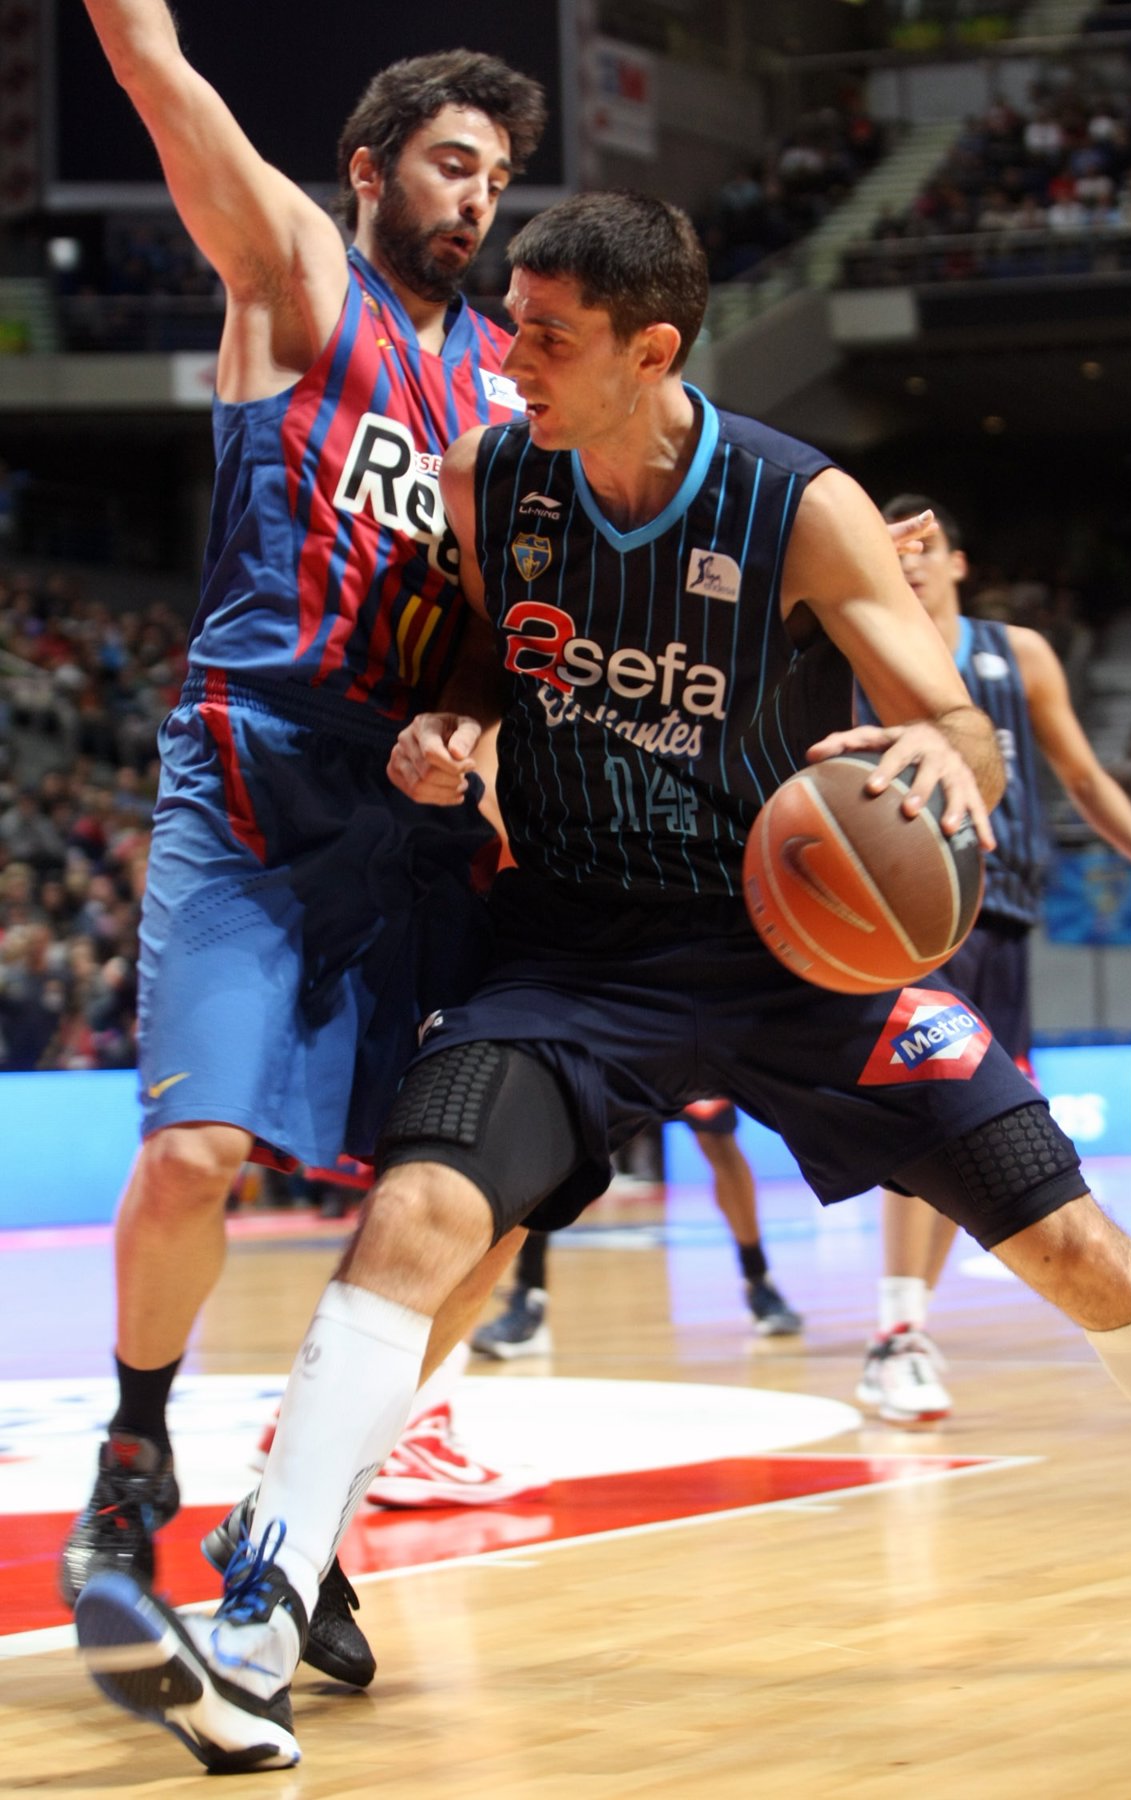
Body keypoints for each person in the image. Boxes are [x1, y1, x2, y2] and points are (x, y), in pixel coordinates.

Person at [76, 191, 1131, 1777]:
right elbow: (487, 646)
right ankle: (256, 1623)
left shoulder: (797, 507)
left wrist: (947, 759)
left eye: (548, 335)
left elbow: (954, 720)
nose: (508, 356)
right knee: (421, 1213)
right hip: (577, 955)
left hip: (795, 953)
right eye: (511, 322)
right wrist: (460, 719)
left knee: (1076, 1246)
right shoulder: (495, 476)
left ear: (650, 350)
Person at [62, 0, 547, 1693]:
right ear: (368, 168)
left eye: (498, 178)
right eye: (452, 163)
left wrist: (479, 733)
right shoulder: (293, 273)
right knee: (198, 1150)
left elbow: (514, 624)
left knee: (485, 1202)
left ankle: (305, 1510)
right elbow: (152, 67)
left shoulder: (511, 388)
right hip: (259, 773)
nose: (477, 198)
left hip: (420, 823)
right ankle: (134, 1455)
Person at [854, 495, 1131, 1425]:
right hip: (915, 919)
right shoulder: (861, 650)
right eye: (897, 548)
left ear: (959, 564)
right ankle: (896, 1332)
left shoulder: (1020, 654)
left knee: (969, 1133)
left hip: (1003, 917)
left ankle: (907, 1328)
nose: (911, 560)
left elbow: (1080, 772)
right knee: (928, 1116)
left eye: (928, 547)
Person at [473, 1099, 801, 1357]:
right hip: (614, 1035)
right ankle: (529, 1297)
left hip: (681, 1037)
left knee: (718, 1140)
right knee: (550, 1141)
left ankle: (759, 1280)